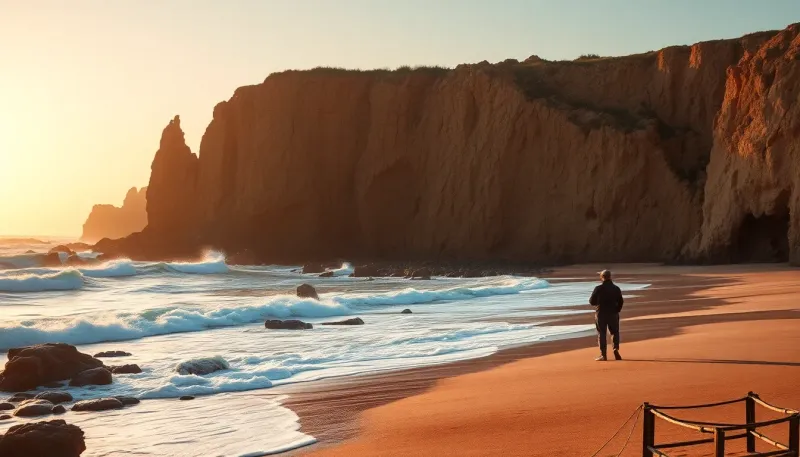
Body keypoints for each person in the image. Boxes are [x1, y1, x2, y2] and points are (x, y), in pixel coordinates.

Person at [589, 269, 623, 361]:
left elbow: (591, 301)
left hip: (601, 313)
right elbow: (620, 301)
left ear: (602, 277)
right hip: (613, 313)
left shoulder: (598, 288)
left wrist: (598, 303)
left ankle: (603, 355)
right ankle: (615, 348)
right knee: (614, 332)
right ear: (610, 277)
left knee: (602, 333)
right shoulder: (616, 288)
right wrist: (617, 310)